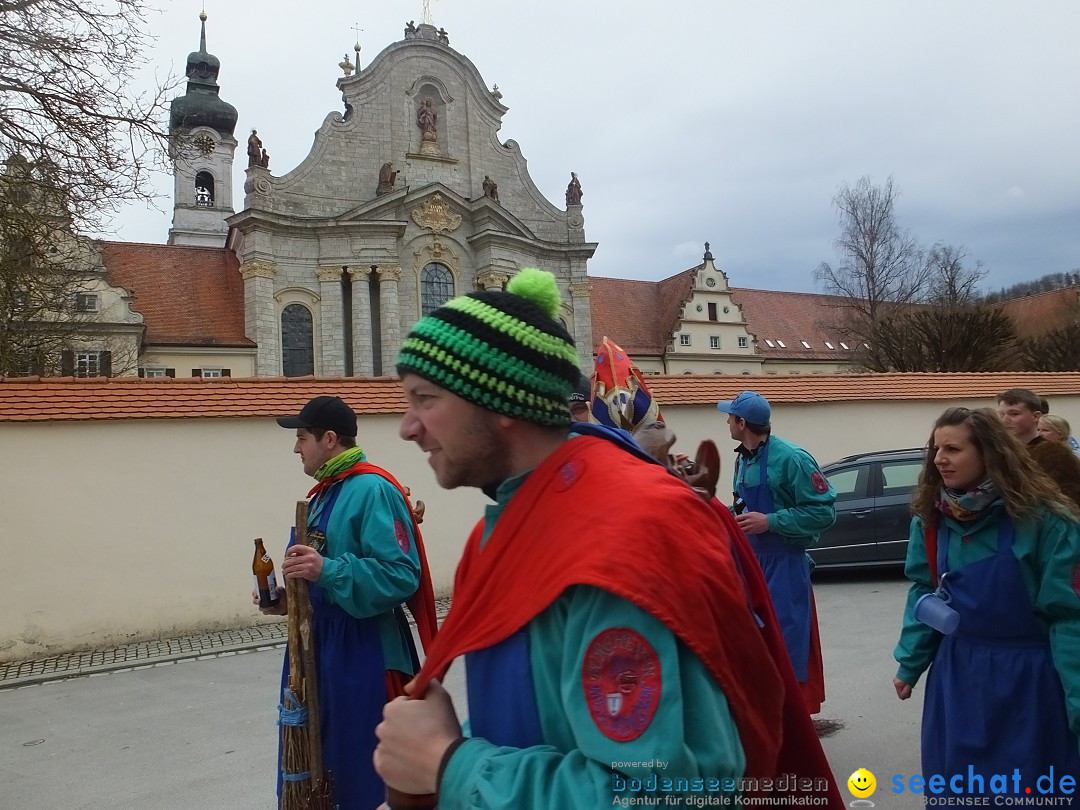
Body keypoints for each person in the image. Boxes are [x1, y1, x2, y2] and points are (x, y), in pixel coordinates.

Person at [374, 268, 841, 806]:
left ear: (497, 403)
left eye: (424, 398)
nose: (408, 426)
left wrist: (450, 766)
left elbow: (664, 795)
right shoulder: (499, 530)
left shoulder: (616, 539)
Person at [893, 407, 1080, 795]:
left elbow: (1070, 619)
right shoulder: (930, 519)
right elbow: (925, 593)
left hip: (1029, 686)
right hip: (957, 681)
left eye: (953, 449)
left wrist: (1077, 701)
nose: (939, 459)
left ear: (990, 453)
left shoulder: (1047, 522)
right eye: (935, 448)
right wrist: (910, 662)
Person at [263, 395, 436, 809]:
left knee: (363, 778)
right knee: (323, 769)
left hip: (364, 655)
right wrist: (290, 599)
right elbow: (321, 574)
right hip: (321, 650)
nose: (295, 448)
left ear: (329, 438)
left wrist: (328, 571)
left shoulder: (372, 489)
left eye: (301, 438)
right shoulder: (325, 493)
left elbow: (400, 575)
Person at [718, 391, 834, 713]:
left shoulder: (792, 459)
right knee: (756, 645)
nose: (726, 421)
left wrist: (770, 521)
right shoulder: (743, 458)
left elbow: (824, 513)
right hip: (752, 565)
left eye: (730, 416)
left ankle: (793, 722)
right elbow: (745, 506)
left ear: (742, 423)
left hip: (784, 567)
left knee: (787, 647)